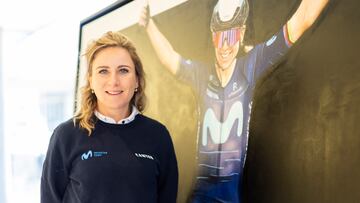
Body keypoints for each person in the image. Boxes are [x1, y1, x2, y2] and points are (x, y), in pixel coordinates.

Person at [139, 0, 328, 202]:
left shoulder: (251, 66)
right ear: (213, 37)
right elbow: (170, 58)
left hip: (230, 196)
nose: (225, 45)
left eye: (231, 35)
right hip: (200, 195)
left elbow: (302, 20)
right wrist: (149, 25)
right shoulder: (201, 75)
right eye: (220, 36)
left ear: (242, 32)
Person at [40, 31, 178, 203]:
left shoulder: (158, 135)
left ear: (136, 80)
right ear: (90, 80)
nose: (113, 81)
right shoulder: (66, 135)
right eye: (103, 71)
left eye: (123, 70)